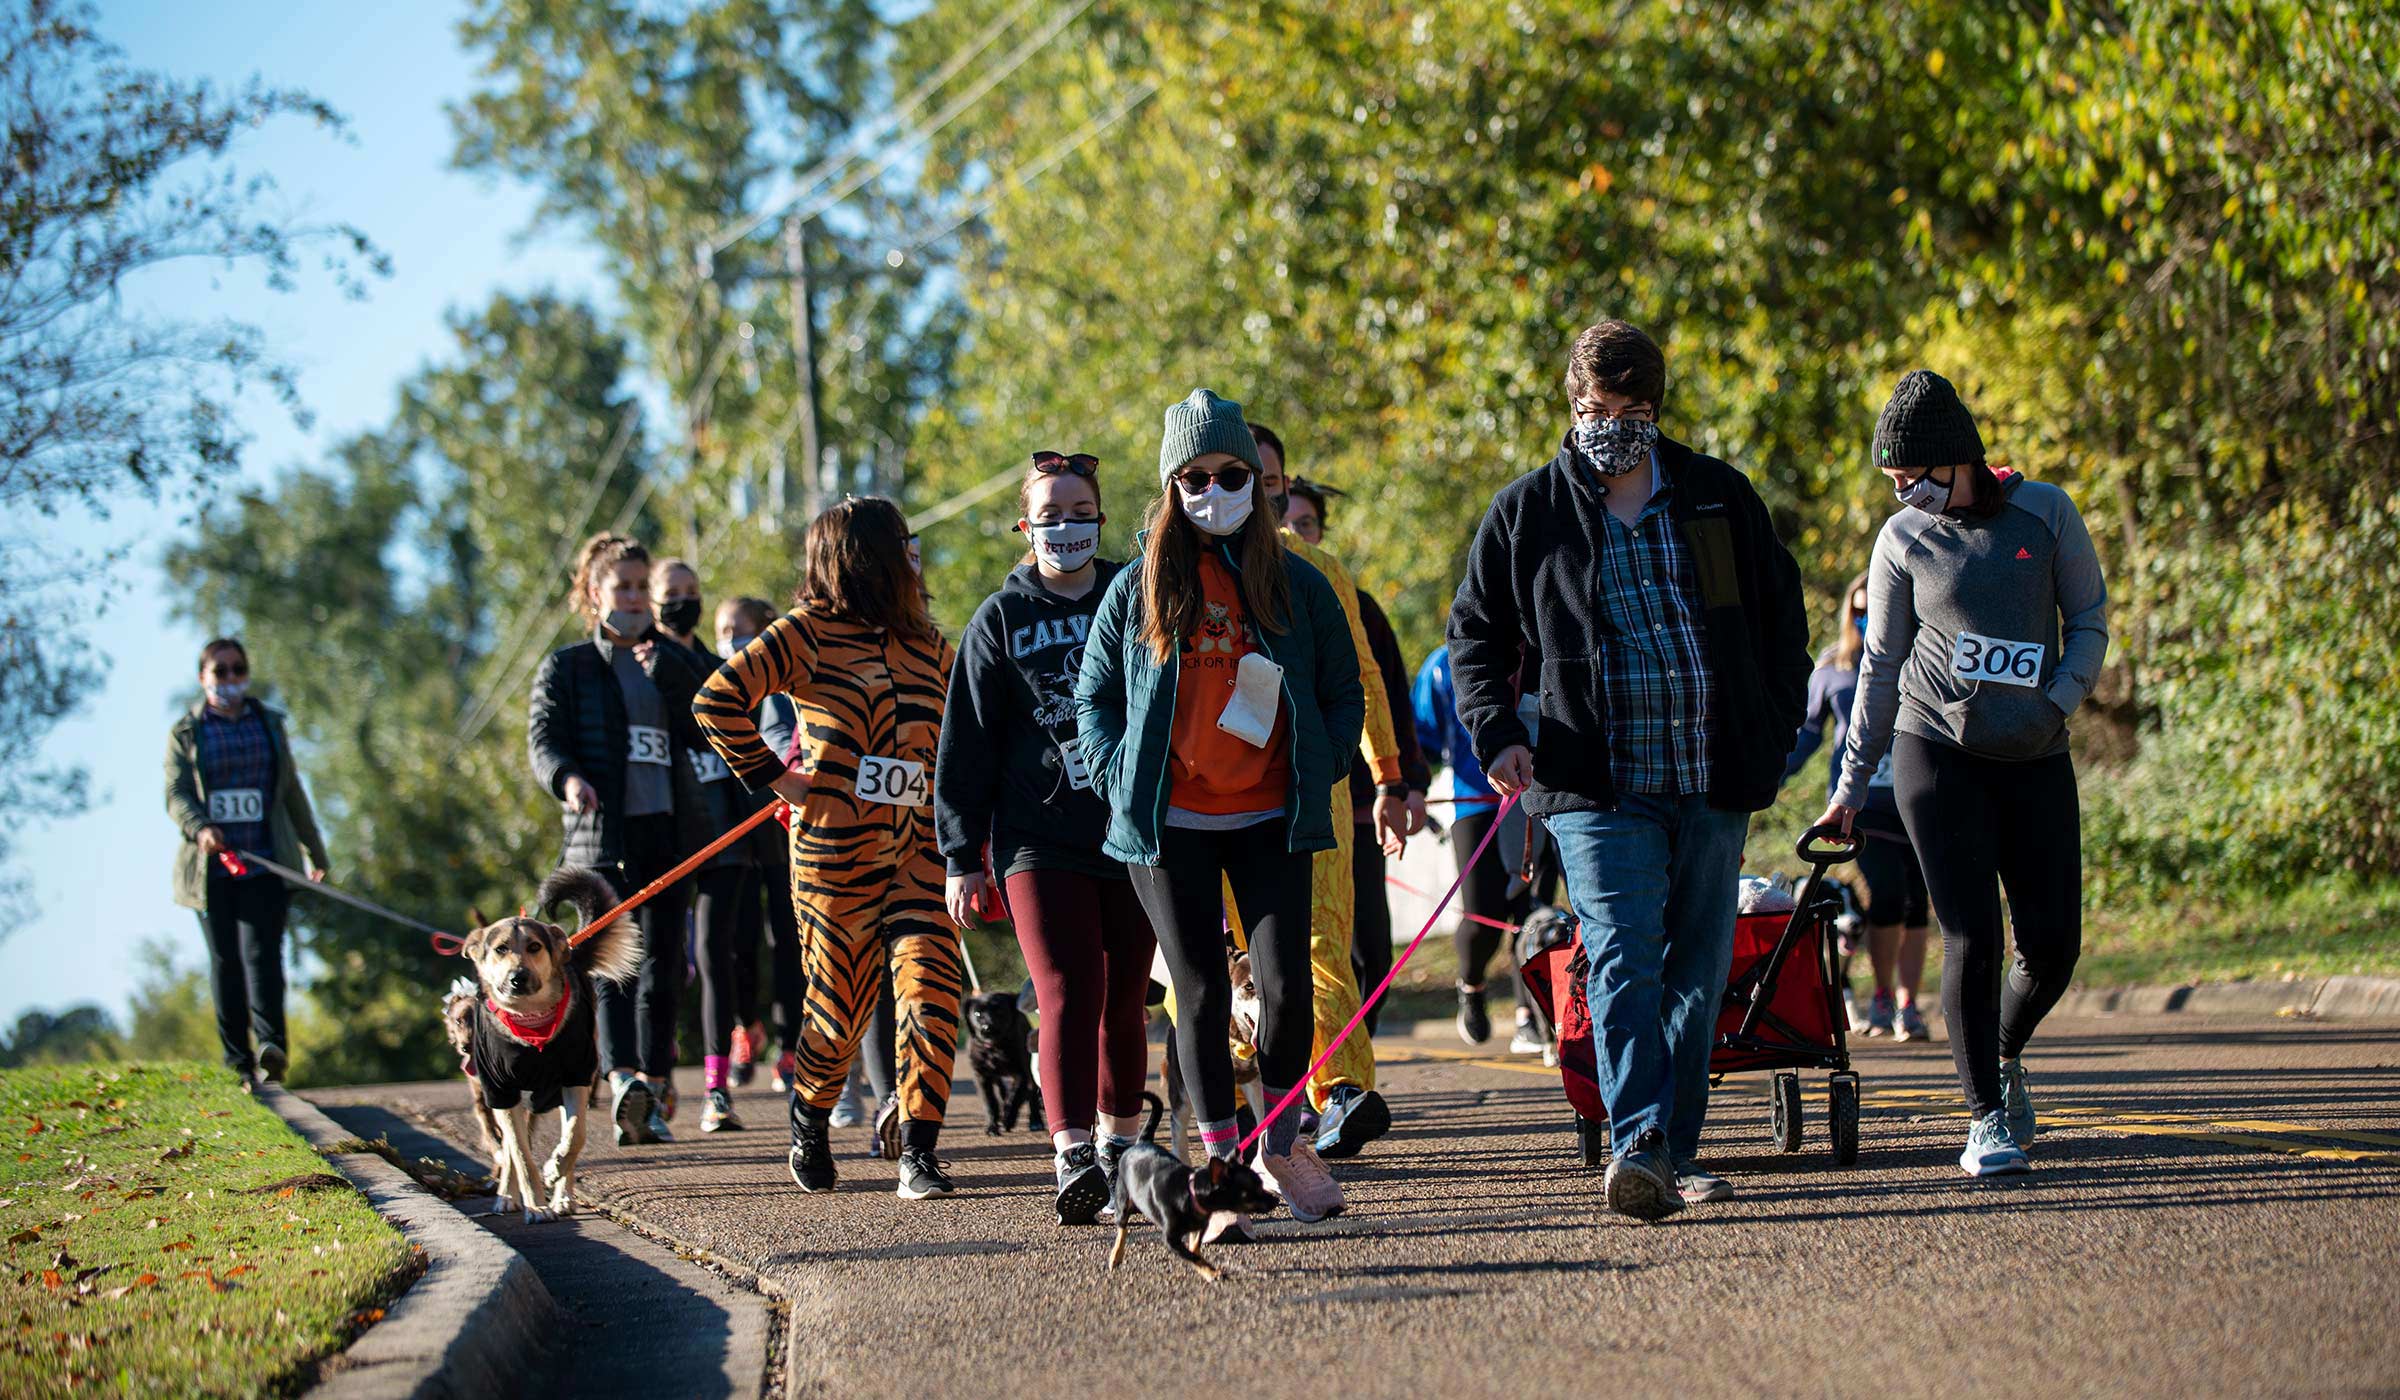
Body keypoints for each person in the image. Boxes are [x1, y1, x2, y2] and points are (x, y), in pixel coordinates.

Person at [1449, 320, 1811, 1221]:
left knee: (1698, 964)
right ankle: (1637, 1140)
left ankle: (1675, 1152)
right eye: (1594, 409)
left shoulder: (1716, 497)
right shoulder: (1528, 512)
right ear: (1572, 407)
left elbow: (1779, 617)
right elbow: (1476, 636)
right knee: (1620, 955)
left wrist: (1773, 723)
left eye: (1631, 411)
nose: (1611, 425)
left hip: (1711, 771)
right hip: (1594, 780)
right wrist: (1498, 733)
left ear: (1656, 411)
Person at [1075, 389, 1364, 1227]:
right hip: (1169, 827)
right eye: (1195, 476)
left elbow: (1343, 690)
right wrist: (1115, 768)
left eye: (1233, 472)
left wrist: (1329, 755)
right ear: (1171, 486)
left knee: (1284, 986)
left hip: (1274, 815)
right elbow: (1093, 697)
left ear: (1259, 481)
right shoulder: (1136, 589)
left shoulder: (1300, 585)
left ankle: (1280, 1142)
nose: (1215, 488)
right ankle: (1224, 1164)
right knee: (1199, 990)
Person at [1818, 369, 2109, 1178]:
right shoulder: (1901, 541)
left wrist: (2057, 700)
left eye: (1915, 477)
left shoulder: (2045, 513)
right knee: (1972, 935)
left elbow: (2088, 618)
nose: (1905, 492)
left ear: (1959, 460)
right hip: (1935, 749)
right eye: (1893, 482)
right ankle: (1985, 1120)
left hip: (2036, 753)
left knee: (2052, 945)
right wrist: (1848, 789)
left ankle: (2005, 1052)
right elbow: (1878, 668)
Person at [693, 497, 966, 1200]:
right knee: (839, 1010)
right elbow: (717, 700)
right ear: (862, 557)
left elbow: (969, 739)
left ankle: (920, 1150)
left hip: (920, 850)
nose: (914, 557)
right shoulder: (807, 634)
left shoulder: (932, 645)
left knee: (933, 995)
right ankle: (810, 1118)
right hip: (833, 851)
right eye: (902, 545)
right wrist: (778, 779)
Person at [935, 451, 1161, 1225]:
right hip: (1036, 837)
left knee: (1127, 997)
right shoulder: (999, 619)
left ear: (1102, 517)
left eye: (1079, 511)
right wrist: (962, 856)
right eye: (1049, 513)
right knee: (1067, 989)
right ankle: (1070, 1153)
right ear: (1024, 526)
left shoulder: (1135, 595)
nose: (1064, 526)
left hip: (1133, 831)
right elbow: (964, 746)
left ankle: (1119, 1145)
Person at [1248, 425, 1413, 1158]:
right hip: (1205, 804)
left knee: (1320, 942)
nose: (1255, 494)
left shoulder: (1321, 572)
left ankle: (1343, 1090)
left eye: (1270, 482)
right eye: (1230, 475)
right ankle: (1240, 1121)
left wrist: (1390, 776)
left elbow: (1366, 677)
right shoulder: (1169, 575)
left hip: (1312, 789)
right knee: (1238, 966)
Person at [529, 532, 712, 1148]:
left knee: (664, 970)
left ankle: (654, 1087)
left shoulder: (672, 657)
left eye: (642, 588)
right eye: (622, 587)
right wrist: (568, 778)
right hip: (603, 839)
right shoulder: (569, 666)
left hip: (670, 832)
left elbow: (716, 713)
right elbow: (543, 738)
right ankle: (623, 1078)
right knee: (613, 971)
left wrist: (671, 667)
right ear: (594, 592)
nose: (634, 598)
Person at [1281, 475, 1431, 1035]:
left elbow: (1385, 690)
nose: (1293, 532)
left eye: (1306, 524)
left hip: (1363, 809)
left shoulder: (1355, 602)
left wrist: (1406, 781)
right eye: (1286, 520)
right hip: (1283, 805)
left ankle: (1345, 1057)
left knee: (1371, 953)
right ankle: (1315, 1076)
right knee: (1302, 952)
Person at [165, 638, 330, 1089]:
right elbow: (176, 794)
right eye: (221, 671)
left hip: (265, 862)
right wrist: (200, 827)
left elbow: (292, 791)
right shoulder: (185, 733)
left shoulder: (268, 724)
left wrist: (316, 851)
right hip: (211, 869)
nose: (231, 679)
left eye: (238, 670)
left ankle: (270, 1049)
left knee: (263, 957)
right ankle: (237, 1061)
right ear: (203, 678)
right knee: (226, 962)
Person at [1784, 572, 1932, 1041]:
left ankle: (1909, 1002)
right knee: (1887, 893)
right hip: (1861, 803)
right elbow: (1807, 735)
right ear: (1851, 613)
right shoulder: (1833, 667)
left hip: (1921, 797)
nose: (1869, 619)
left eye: (1877, 609)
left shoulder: (1921, 659)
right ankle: (1883, 995)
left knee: (1917, 901)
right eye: (1861, 611)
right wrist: (1766, 777)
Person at [654, 559, 756, 1133]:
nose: (683, 602)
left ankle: (715, 1089)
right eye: (673, 593)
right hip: (665, 833)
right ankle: (656, 1079)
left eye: (692, 592)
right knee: (664, 961)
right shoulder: (639, 664)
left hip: (724, 830)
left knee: (719, 960)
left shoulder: (718, 669)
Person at [1414, 642, 1545, 1053]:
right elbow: (1425, 738)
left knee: (1533, 912)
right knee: (1483, 915)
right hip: (1474, 800)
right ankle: (1472, 985)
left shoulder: (1541, 648)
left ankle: (1531, 1016)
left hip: (1538, 798)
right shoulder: (1442, 663)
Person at [718, 596, 805, 1093]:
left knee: (787, 938)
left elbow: (785, 739)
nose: (732, 639)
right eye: (724, 629)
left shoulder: (781, 687)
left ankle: (789, 1042)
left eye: (741, 629)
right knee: (739, 939)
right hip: (732, 831)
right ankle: (744, 1025)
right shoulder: (718, 681)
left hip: (779, 822)